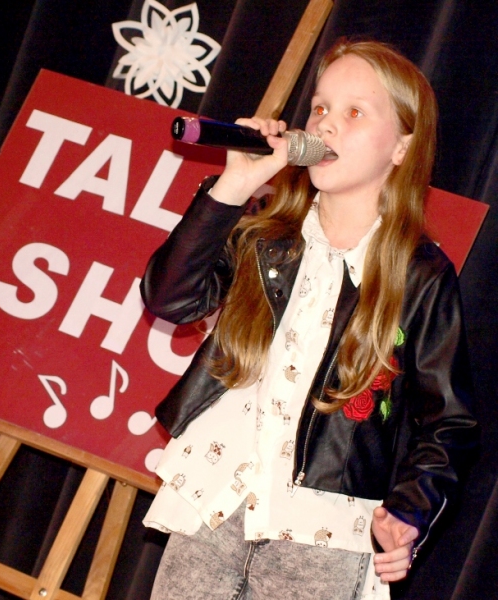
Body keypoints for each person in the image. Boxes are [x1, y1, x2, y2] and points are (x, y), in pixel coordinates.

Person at [139, 38, 478, 600]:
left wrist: (411, 511)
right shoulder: (265, 233)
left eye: (355, 112)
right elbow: (170, 299)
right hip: (211, 504)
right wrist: (234, 186)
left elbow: (449, 423)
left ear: (402, 146)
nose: (326, 124)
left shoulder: (419, 274)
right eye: (320, 107)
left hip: (322, 536)